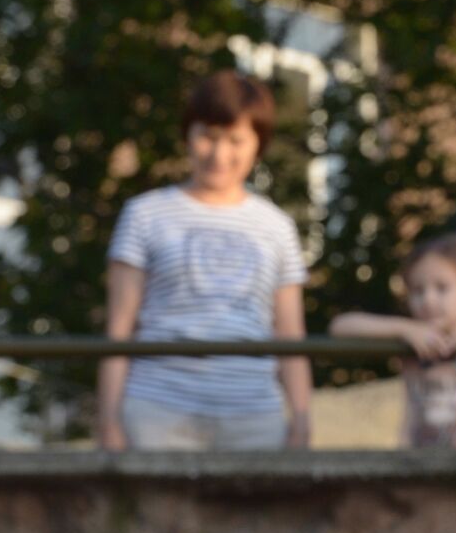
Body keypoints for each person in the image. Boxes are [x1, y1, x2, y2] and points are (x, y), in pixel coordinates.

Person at [98, 70, 311, 451]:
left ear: (257, 145)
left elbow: (290, 337)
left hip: (253, 415)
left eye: (235, 140)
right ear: (188, 135)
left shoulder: (277, 226)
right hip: (158, 411)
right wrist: (109, 420)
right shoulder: (144, 215)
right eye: (208, 136)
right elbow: (119, 330)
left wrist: (302, 419)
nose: (219, 154)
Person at [330, 235, 456, 449]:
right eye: (418, 291)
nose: (428, 300)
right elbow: (341, 326)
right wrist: (405, 328)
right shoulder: (412, 346)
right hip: (419, 466)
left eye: (441, 288)